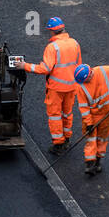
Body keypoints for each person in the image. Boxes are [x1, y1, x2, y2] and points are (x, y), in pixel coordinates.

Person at [20, 17, 81, 152]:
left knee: (55, 116)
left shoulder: (52, 47)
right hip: (72, 86)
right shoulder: (75, 43)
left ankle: (58, 144)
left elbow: (45, 69)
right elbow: (78, 66)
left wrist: (25, 66)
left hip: (56, 88)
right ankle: (67, 139)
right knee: (67, 114)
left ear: (52, 31)